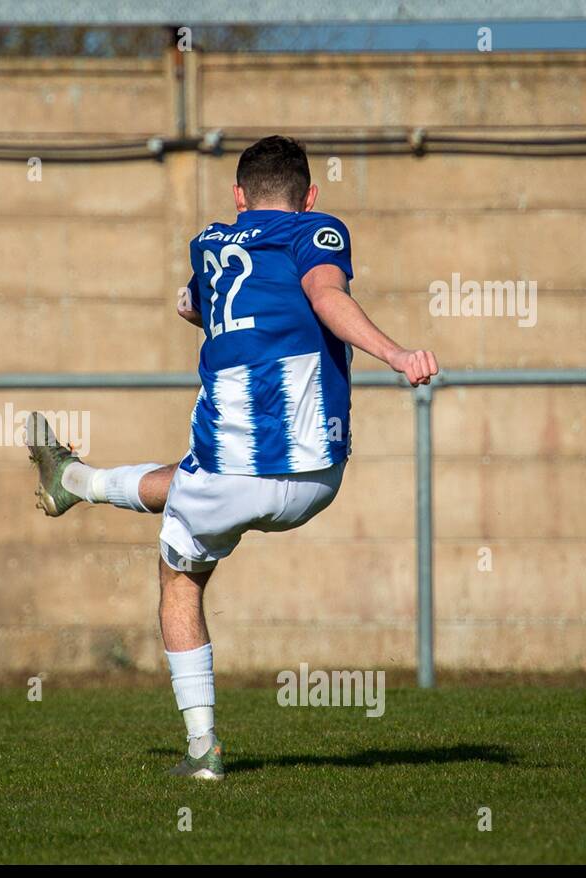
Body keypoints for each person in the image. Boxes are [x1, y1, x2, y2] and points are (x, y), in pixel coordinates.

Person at [27, 135, 438, 781]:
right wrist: (398, 355)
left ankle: (203, 749)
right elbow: (326, 296)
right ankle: (73, 480)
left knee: (179, 577)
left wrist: (386, 351)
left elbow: (191, 304)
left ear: (239, 196)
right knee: (190, 489)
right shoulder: (318, 229)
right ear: (309, 196)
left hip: (233, 473)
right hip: (317, 478)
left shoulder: (210, 243)